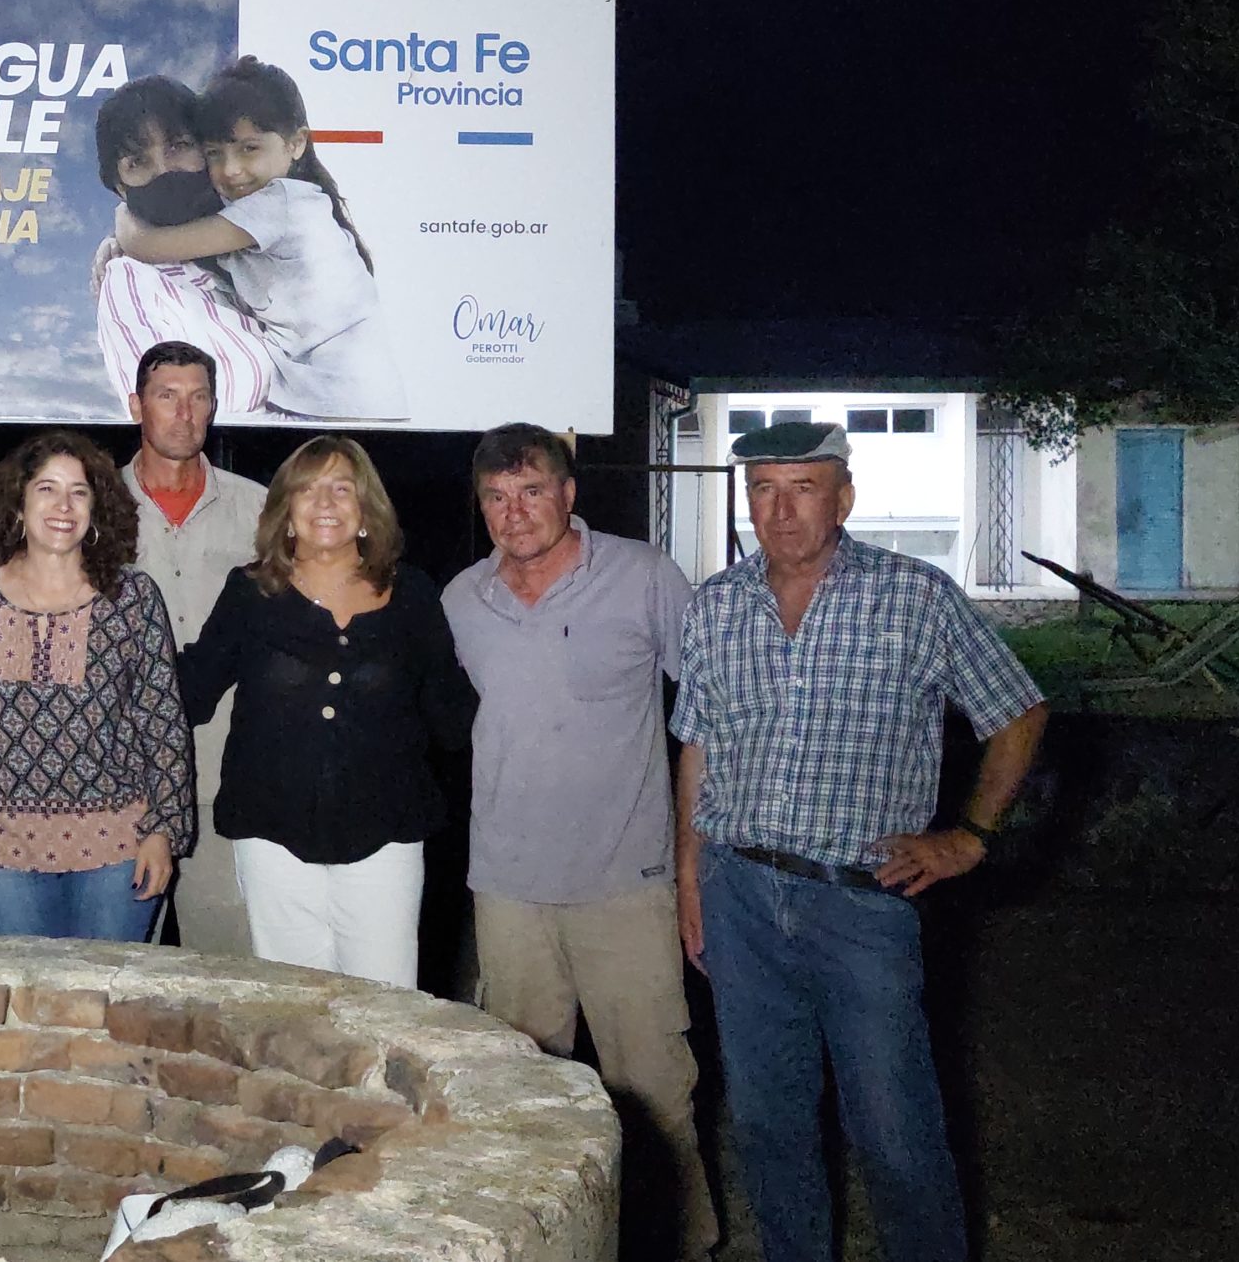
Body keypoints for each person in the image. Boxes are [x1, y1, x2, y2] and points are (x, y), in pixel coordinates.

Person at [673, 421, 1049, 1262]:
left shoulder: (914, 597)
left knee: (894, 1131)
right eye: (763, 488)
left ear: (843, 498)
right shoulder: (716, 605)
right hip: (740, 894)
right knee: (767, 1125)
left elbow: (1019, 712)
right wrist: (690, 881)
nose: (781, 509)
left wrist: (970, 837)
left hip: (862, 905)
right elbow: (698, 747)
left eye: (803, 488)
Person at [439, 423, 715, 1262]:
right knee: (521, 1096)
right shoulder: (461, 600)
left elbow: (711, 716)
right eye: (496, 497)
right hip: (508, 887)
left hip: (625, 883)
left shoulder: (644, 576)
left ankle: (679, 1245)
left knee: (655, 1090)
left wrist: (694, 864)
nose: (514, 512)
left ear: (567, 493)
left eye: (532, 491)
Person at [178, 436, 472, 986]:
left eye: (342, 488)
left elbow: (451, 717)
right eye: (308, 489)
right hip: (272, 836)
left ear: (366, 510)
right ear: (286, 512)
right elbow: (189, 690)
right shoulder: (249, 594)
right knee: (295, 1004)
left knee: (386, 1002)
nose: (325, 503)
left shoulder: (412, 595)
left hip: (386, 837)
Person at [0, 430, 195, 939]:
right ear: (19, 502)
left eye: (79, 492)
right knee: (19, 988)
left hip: (116, 842)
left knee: (104, 989)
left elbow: (163, 722)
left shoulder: (132, 596)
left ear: (96, 509)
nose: (63, 506)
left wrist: (164, 830)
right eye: (47, 488)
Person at [114, 57, 407, 421]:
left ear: (296, 143)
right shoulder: (270, 209)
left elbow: (151, 246)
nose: (231, 169)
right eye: (214, 154)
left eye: (249, 148)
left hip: (339, 405)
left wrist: (123, 218)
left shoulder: (279, 204)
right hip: (351, 403)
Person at [121, 340, 267, 956]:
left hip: (226, 776)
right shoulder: (89, 509)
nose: (184, 413)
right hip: (121, 783)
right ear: (137, 406)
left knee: (227, 969)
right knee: (119, 970)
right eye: (167, 396)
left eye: (198, 397)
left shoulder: (259, 509)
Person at [89, 75, 276, 412]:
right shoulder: (134, 283)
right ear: (120, 187)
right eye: (137, 162)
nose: (164, 171)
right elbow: (178, 416)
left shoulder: (270, 232)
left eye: (179, 146)